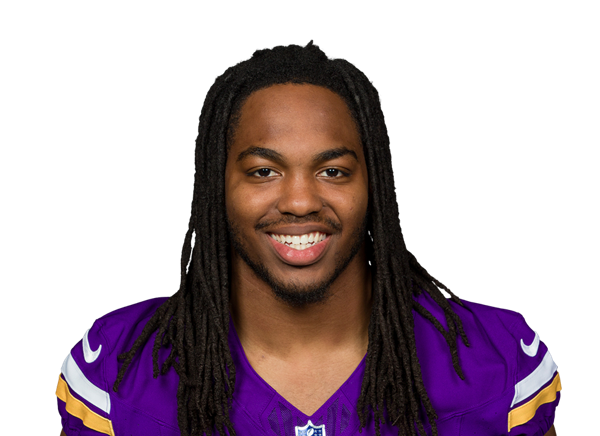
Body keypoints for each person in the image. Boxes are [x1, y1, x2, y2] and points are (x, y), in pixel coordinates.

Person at [56, 42, 561, 436]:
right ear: (217, 187)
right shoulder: (120, 366)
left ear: (374, 186)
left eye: (333, 171)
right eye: (263, 171)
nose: (300, 202)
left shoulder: (496, 359)